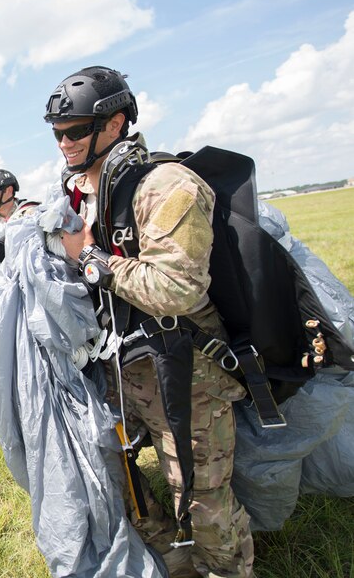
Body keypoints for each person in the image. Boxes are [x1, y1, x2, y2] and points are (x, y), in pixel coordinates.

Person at [44, 66, 254, 577]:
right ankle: (170, 552)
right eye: (57, 134)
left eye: (75, 131)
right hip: (123, 365)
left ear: (115, 124)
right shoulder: (86, 192)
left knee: (201, 498)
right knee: (98, 459)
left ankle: (226, 569)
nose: (64, 144)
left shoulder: (166, 186)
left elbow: (178, 288)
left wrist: (92, 260)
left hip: (187, 368)